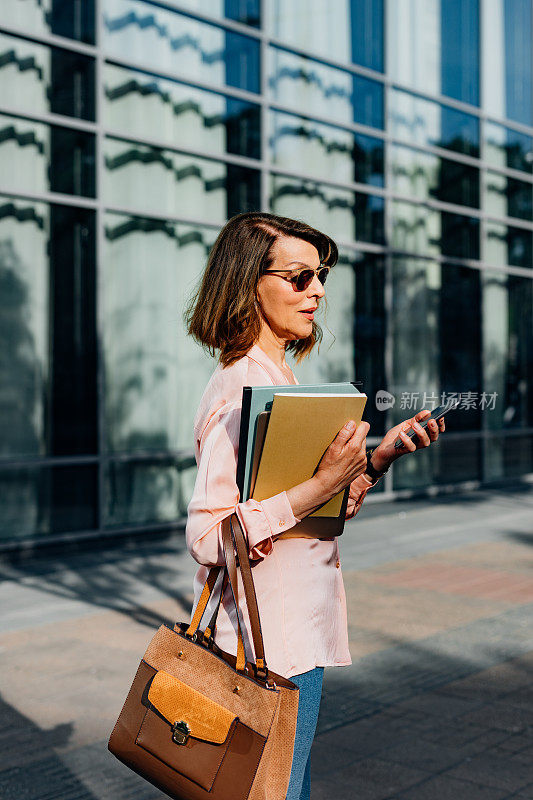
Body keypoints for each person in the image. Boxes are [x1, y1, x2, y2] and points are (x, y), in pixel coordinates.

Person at [184, 212, 445, 800]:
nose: (318, 291)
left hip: (296, 638)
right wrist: (318, 481)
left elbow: (307, 521)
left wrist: (372, 463)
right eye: (300, 277)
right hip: (265, 648)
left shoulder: (283, 381)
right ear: (250, 282)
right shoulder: (239, 388)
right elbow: (208, 538)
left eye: (319, 276)